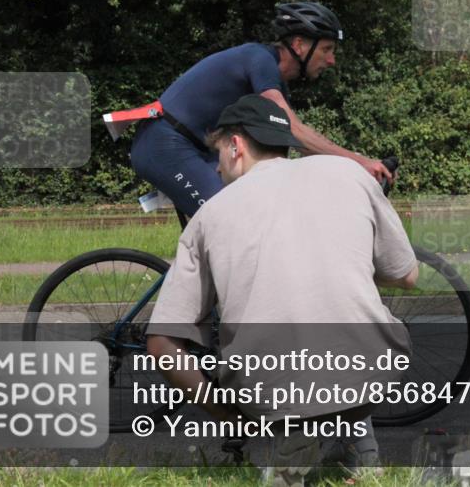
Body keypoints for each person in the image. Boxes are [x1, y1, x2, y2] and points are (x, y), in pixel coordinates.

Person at [145, 94, 418, 486]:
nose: (217, 168)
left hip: (271, 389)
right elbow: (407, 275)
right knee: (344, 330)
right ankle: (358, 455)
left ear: (236, 146)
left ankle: (295, 447)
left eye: (218, 154)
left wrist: (227, 415)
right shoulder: (349, 174)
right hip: (374, 372)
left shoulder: (209, 216)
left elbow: (161, 344)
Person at [129, 2, 392, 217]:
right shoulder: (261, 60)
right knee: (228, 218)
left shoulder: (276, 84)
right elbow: (296, 132)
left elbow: (290, 147)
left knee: (264, 205)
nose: (332, 60)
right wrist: (358, 162)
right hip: (164, 145)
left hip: (196, 149)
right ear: (299, 44)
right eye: (327, 49)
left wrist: (349, 168)